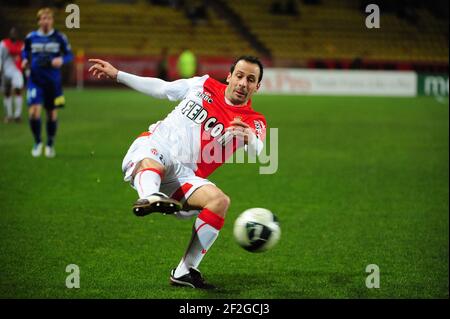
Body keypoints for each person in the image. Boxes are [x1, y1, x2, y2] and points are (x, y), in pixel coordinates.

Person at [88, 55, 267, 289]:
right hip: (157, 145)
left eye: (251, 80)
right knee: (155, 162)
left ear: (257, 87)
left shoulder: (253, 121)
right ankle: (150, 195)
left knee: (219, 202)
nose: (243, 83)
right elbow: (162, 88)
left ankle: (185, 271)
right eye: (240, 76)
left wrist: (250, 139)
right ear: (229, 76)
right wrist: (118, 75)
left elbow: (260, 151)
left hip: (186, 175)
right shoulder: (203, 85)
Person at [21, 7, 73, 158]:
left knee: (51, 114)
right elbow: (25, 51)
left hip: (53, 82)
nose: (45, 21)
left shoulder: (59, 37)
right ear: (39, 21)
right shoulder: (31, 37)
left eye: (48, 18)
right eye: (43, 18)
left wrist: (61, 59)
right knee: (33, 112)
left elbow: (69, 54)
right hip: (35, 80)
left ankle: (50, 143)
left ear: (52, 21)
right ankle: (37, 142)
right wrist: (24, 60)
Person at [0, 27, 24, 123]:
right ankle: (9, 115)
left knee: (18, 89)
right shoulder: (3, 44)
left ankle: (17, 115)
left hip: (16, 71)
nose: (13, 34)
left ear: (17, 35)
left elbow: (24, 57)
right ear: (9, 34)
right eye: (12, 33)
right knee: (6, 93)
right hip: (5, 71)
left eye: (15, 33)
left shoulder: (21, 45)